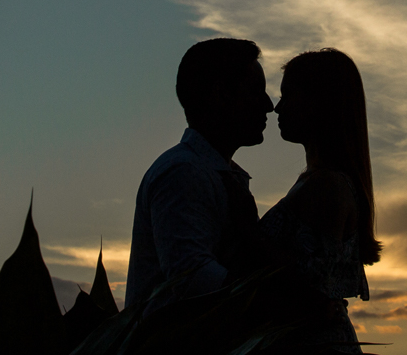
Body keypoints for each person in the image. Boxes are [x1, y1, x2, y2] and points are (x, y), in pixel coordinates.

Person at [125, 38, 274, 314]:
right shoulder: (183, 172)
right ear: (222, 94)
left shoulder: (214, 174)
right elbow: (191, 278)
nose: (268, 105)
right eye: (255, 91)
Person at [260, 48, 381, 354]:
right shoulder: (320, 181)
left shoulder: (327, 186)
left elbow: (308, 288)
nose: (277, 108)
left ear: (318, 104)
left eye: (288, 96)